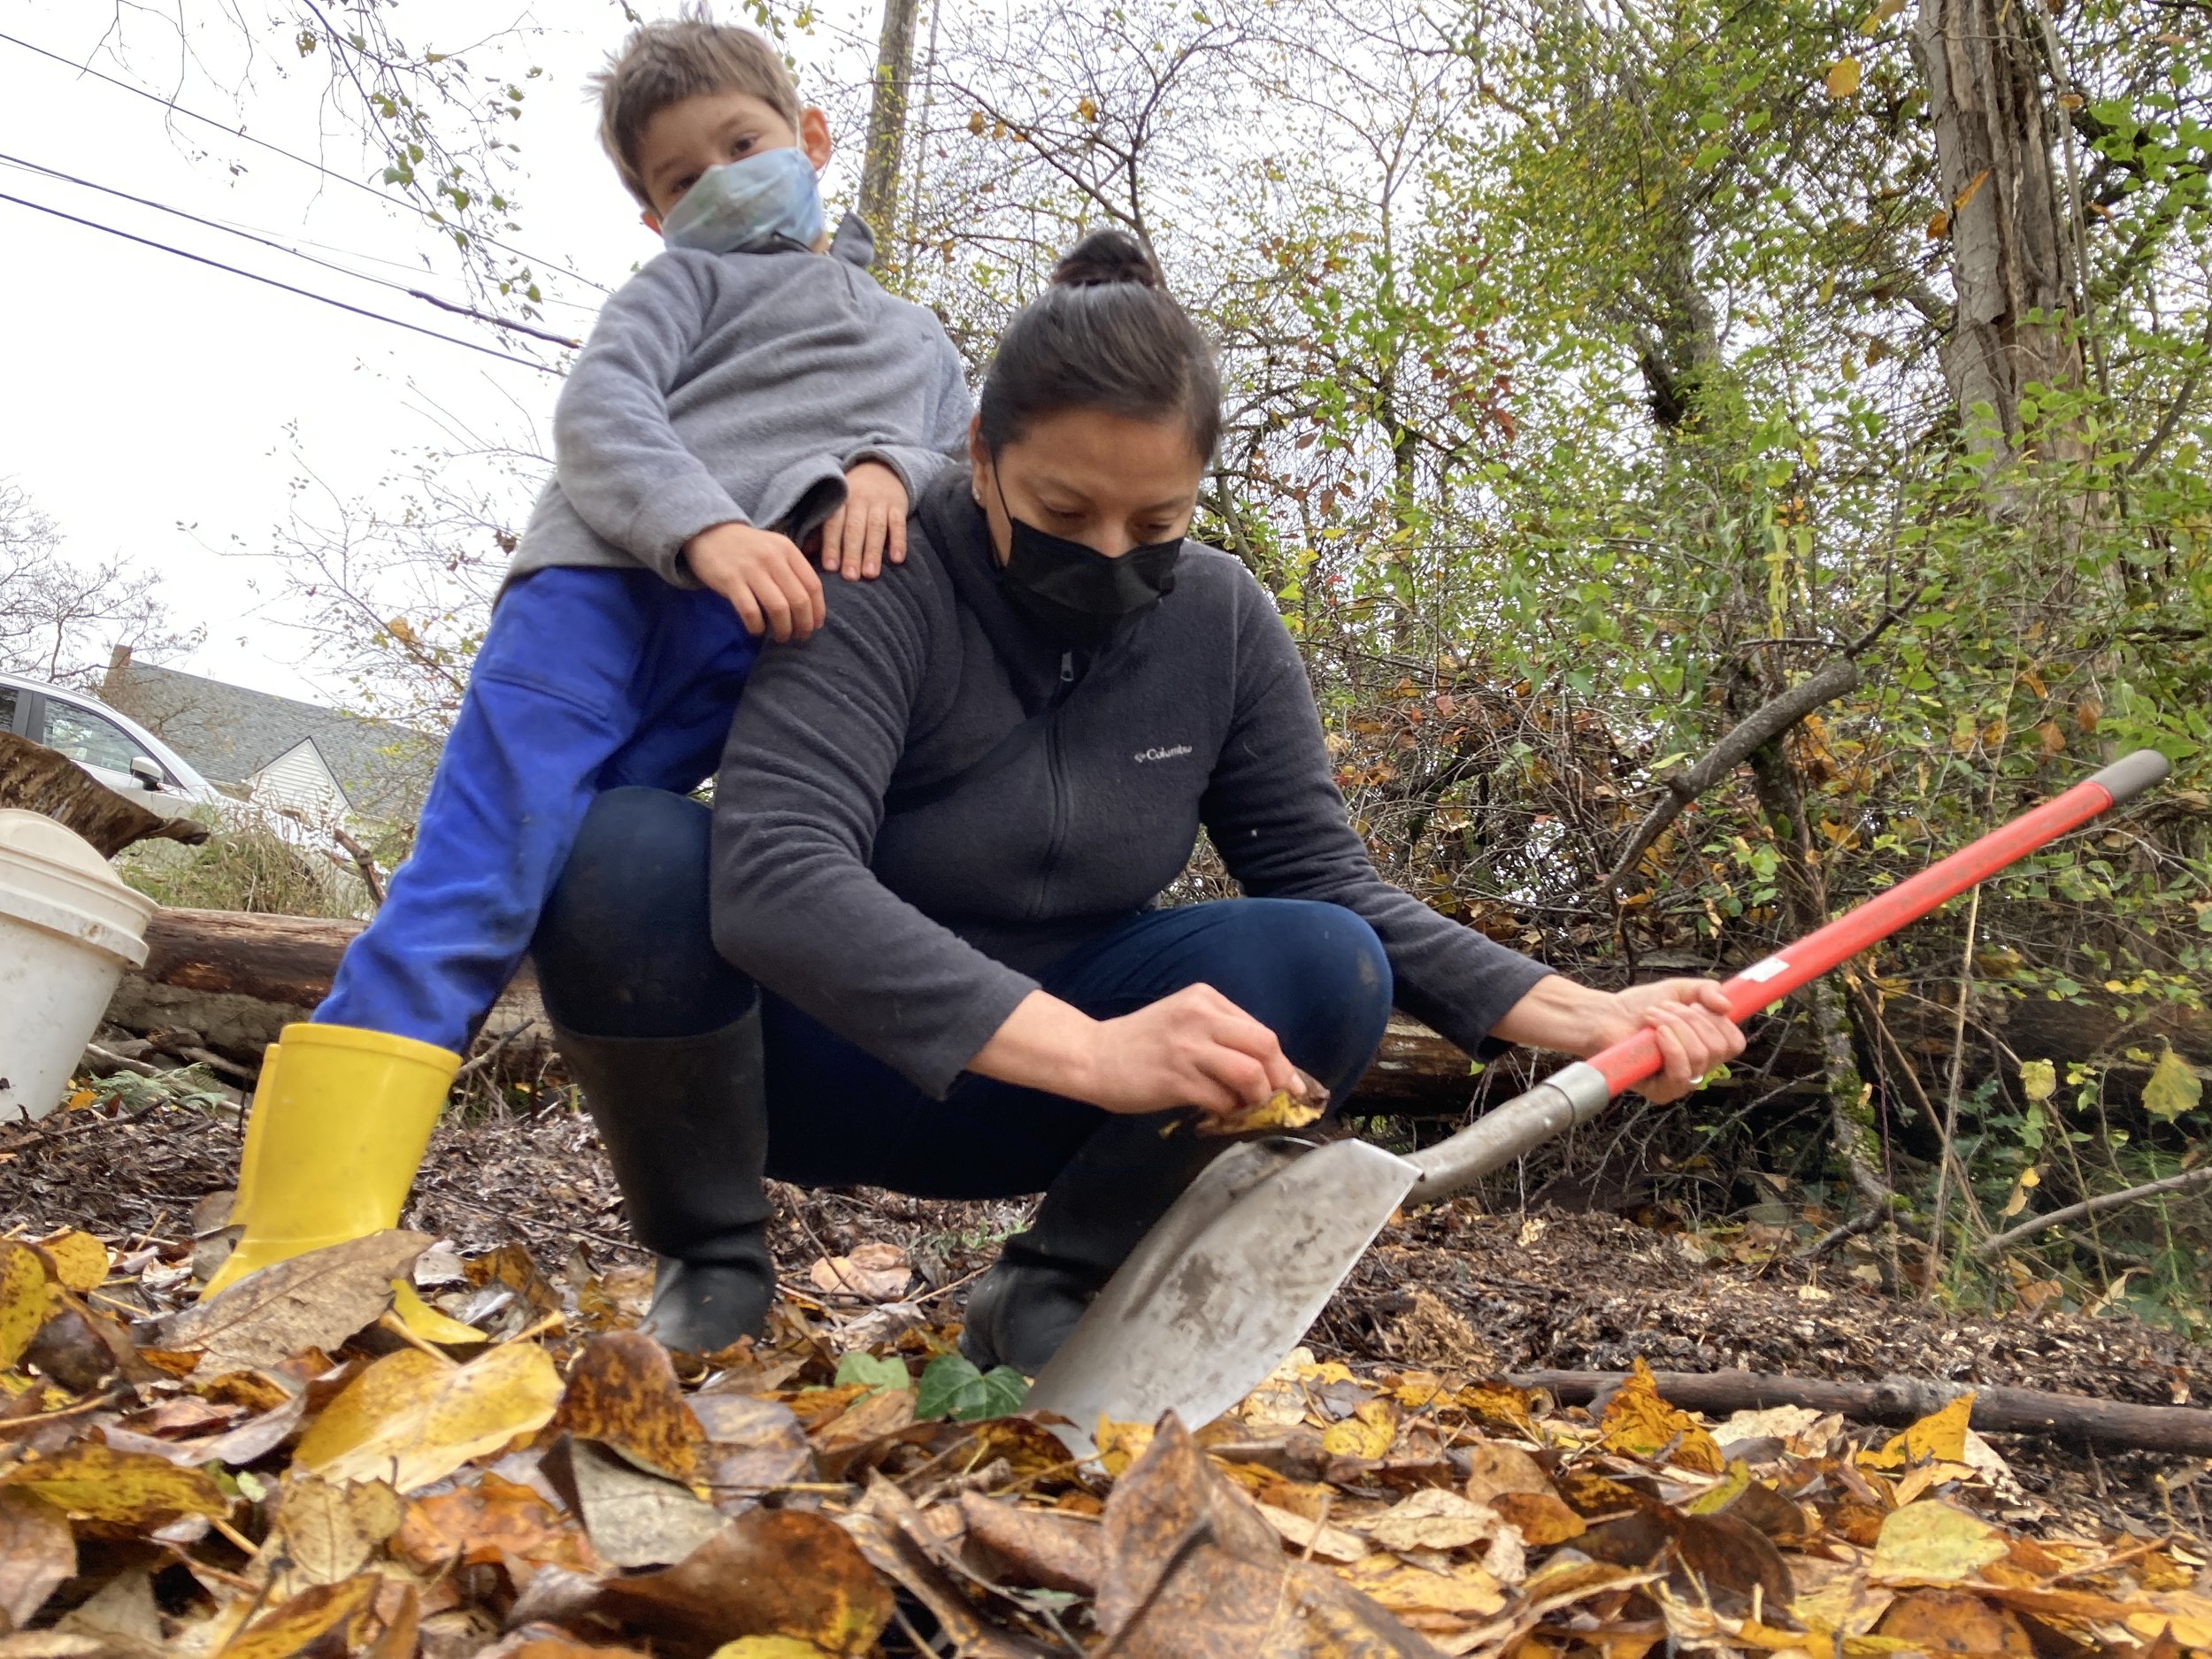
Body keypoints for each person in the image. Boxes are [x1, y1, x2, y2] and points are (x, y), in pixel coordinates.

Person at [526, 230, 1745, 1364]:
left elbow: (1326, 877)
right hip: (815, 1062)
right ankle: (713, 1263)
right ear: (980, 457)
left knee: (1325, 958)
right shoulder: (878, 565)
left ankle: (1056, 1293)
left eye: (1157, 520)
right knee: (621, 850)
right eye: (1064, 512)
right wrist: (1093, 1051)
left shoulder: (1220, 620)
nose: (1111, 552)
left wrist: (1582, 1012)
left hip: (1046, 1101)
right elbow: (779, 873)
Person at [205, 15, 972, 1305]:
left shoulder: (915, 336)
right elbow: (601, 416)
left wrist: (893, 469)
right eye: (684, 177)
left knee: (599, 869)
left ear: (811, 139)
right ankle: (295, 1253)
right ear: (655, 217)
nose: (722, 180)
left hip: (754, 643)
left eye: (744, 144)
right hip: (601, 597)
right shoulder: (680, 289)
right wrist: (706, 528)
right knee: (475, 881)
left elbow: (950, 448)